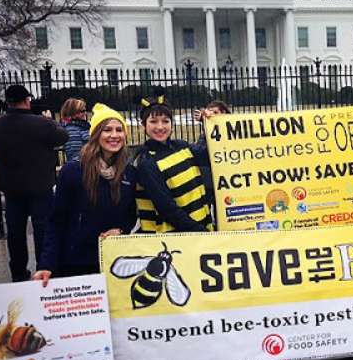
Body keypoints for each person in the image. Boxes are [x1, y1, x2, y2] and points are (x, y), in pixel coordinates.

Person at [32, 103, 136, 284]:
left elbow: (132, 216)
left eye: (119, 130)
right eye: (107, 130)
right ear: (95, 135)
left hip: (114, 263)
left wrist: (121, 230)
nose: (114, 135)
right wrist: (46, 264)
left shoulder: (129, 173)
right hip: (76, 263)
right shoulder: (73, 171)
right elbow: (56, 221)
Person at [0, 85, 68, 282]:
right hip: (40, 186)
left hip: (12, 187)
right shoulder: (42, 123)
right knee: (43, 230)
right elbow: (62, 137)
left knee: (15, 233)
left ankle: (18, 272)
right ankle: (44, 269)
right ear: (27, 100)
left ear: (7, 101)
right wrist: (50, 121)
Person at [134, 95, 214, 233]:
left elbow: (212, 153)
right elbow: (168, 209)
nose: (160, 127)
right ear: (144, 125)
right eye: (153, 121)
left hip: (199, 230)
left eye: (165, 121)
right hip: (172, 240)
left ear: (172, 124)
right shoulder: (146, 163)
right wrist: (200, 232)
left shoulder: (182, 146)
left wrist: (211, 123)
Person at [190, 100, 232, 221]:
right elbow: (201, 152)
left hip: (224, 181)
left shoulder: (231, 131)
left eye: (216, 112)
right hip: (208, 180)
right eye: (210, 112)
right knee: (207, 212)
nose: (212, 116)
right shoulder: (206, 133)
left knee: (223, 214)